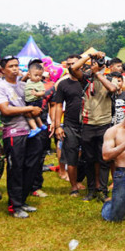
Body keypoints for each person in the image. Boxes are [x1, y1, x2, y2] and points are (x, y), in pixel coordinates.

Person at [0, 56, 44, 218]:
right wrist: (29, 109)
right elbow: (5, 110)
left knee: (32, 166)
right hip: (13, 132)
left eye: (16, 66)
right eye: (11, 66)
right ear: (3, 69)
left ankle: (23, 199)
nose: (14, 69)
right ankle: (14, 205)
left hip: (30, 130)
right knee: (16, 168)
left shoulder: (22, 85)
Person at [69, 50, 120, 201]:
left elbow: (112, 89)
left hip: (104, 125)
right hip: (88, 124)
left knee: (104, 160)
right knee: (89, 159)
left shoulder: (111, 79)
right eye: (94, 64)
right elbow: (73, 69)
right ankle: (91, 190)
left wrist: (99, 74)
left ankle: (103, 191)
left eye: (100, 64)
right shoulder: (85, 79)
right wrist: (89, 56)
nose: (97, 66)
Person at [50, 55, 85, 196]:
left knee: (87, 156)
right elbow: (58, 105)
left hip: (89, 124)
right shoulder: (63, 84)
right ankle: (73, 187)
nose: (71, 66)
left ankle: (83, 181)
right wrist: (58, 126)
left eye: (74, 64)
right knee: (72, 157)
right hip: (70, 124)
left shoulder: (87, 81)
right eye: (68, 64)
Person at [22, 59, 48, 137]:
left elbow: (43, 92)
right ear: (29, 74)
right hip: (30, 101)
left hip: (35, 101)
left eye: (40, 76)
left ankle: (34, 128)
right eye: (36, 75)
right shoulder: (28, 81)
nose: (38, 78)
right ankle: (40, 125)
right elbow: (22, 81)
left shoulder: (39, 83)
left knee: (28, 114)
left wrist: (37, 94)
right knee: (34, 115)